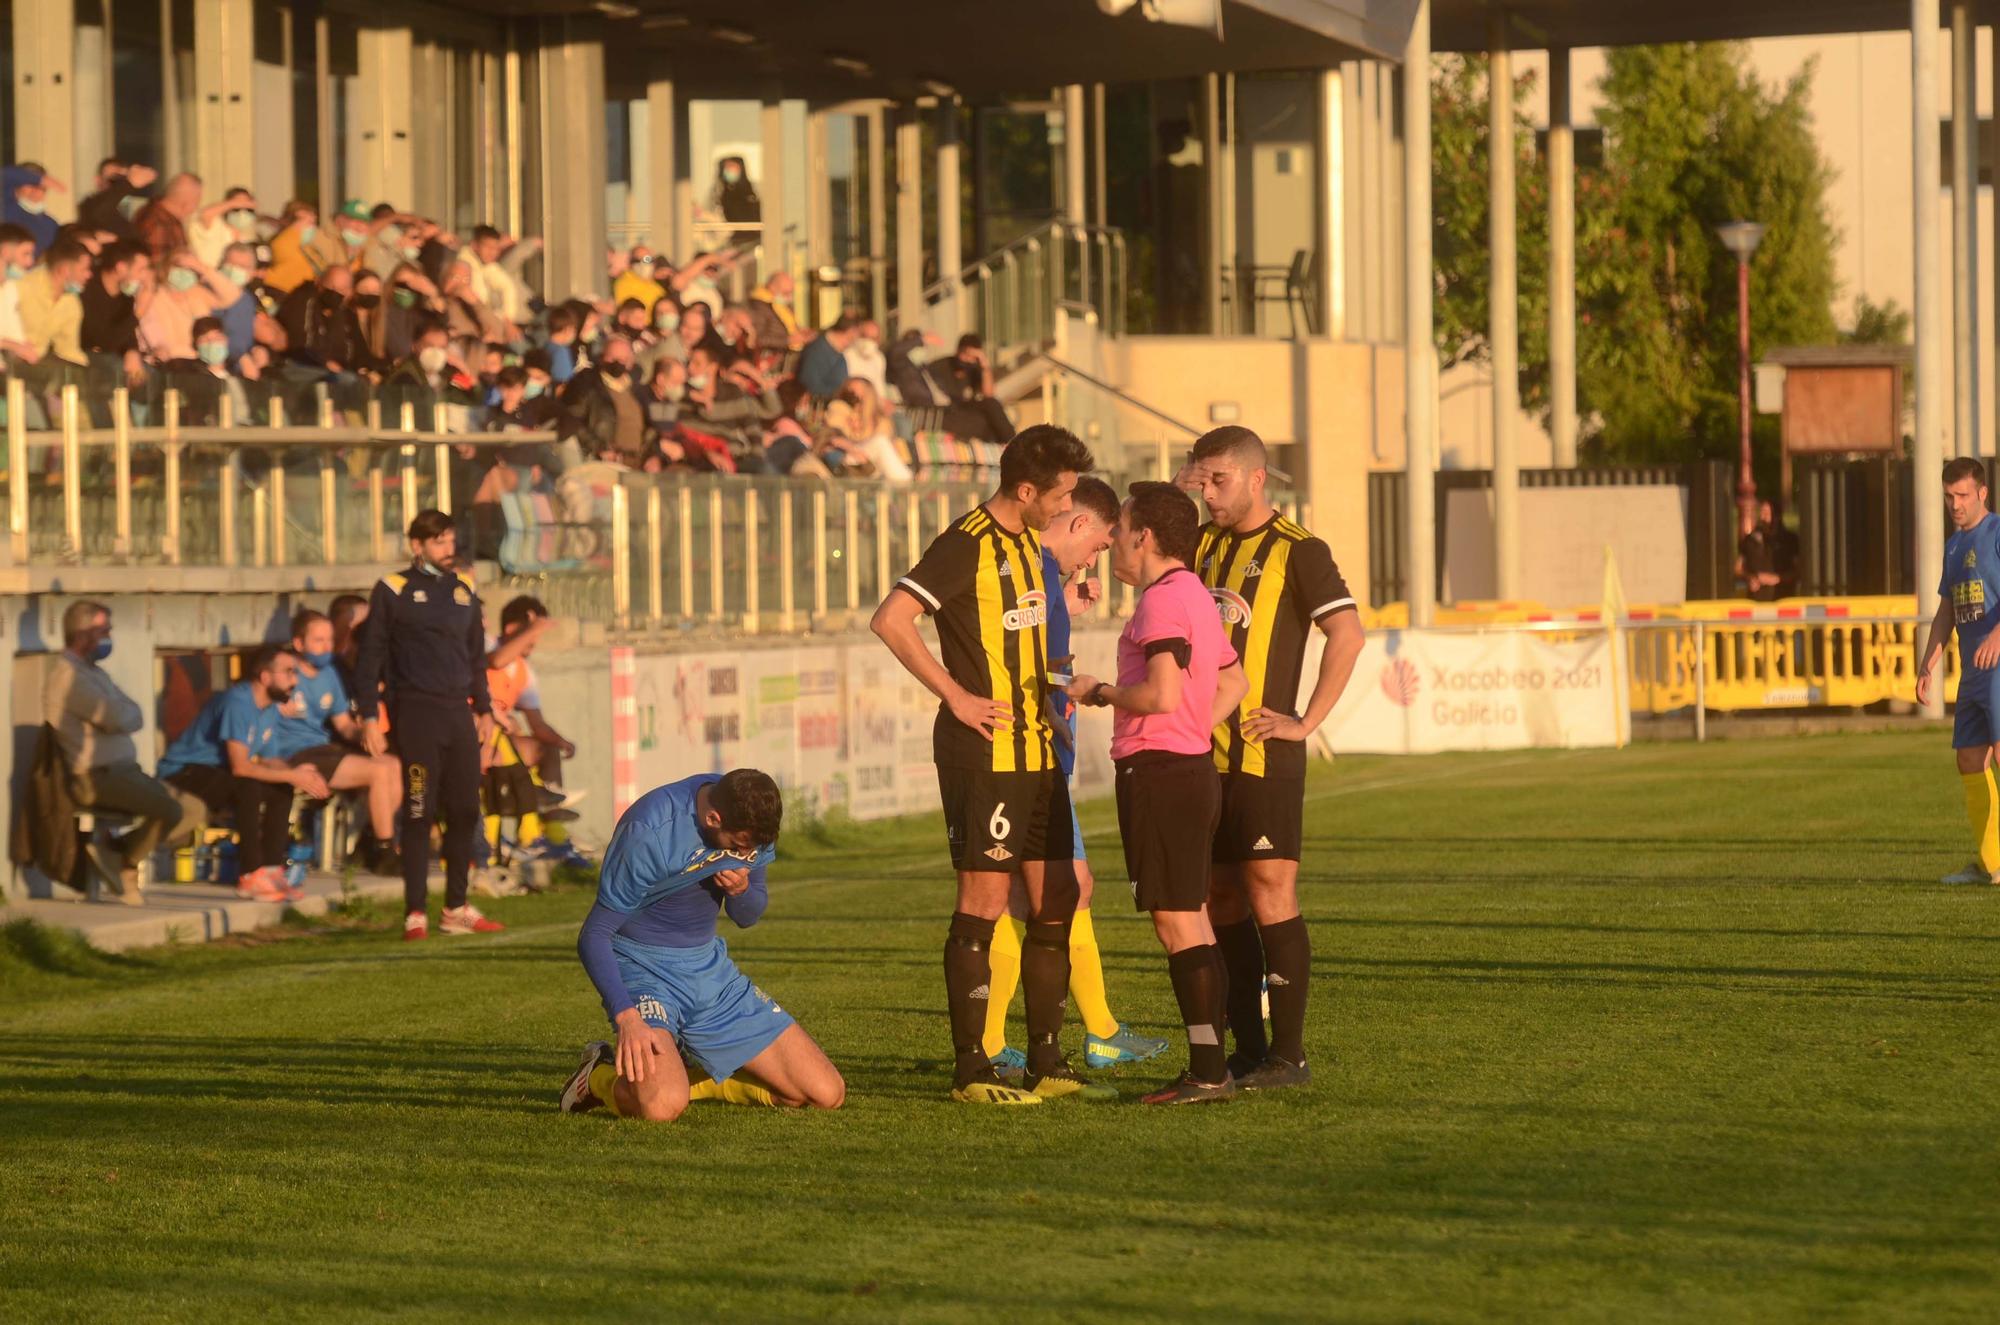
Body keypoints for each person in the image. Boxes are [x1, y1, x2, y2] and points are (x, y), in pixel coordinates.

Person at [870, 424, 1103, 1106]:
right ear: (1025, 489)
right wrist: (959, 696)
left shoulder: (1031, 546)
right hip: (987, 752)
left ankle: (1047, 1061)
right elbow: (891, 618)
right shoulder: (964, 542)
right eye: (1058, 495)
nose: (1064, 508)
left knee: (1056, 897)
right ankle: (972, 1068)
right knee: (984, 900)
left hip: (1038, 749)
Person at [1187, 425, 1364, 1090]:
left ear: (1257, 477)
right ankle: (1248, 1049)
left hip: (1265, 755)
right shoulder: (1198, 547)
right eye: (1200, 480)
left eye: (1219, 480)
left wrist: (1306, 721)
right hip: (1202, 755)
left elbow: (1347, 634)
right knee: (1219, 896)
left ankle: (1289, 1056)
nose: (1207, 493)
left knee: (1269, 892)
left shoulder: (1299, 550)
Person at [981, 475, 1170, 1074]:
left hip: (1037, 759)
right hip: (1030, 761)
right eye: (1096, 546)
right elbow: (1033, 670)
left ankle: (1088, 1031)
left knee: (1037, 896)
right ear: (1082, 524)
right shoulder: (1033, 570)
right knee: (1053, 892)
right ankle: (1081, 1035)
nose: (1096, 559)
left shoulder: (1044, 578)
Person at [1066, 482, 1248, 1104]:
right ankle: (1212, 1063)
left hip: (1162, 774)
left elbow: (1163, 694)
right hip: (1189, 770)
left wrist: (1101, 693)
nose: (1112, 538)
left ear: (1143, 536)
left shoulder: (1161, 602)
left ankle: (1205, 1070)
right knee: (1192, 919)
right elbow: (1237, 679)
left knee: (1177, 925)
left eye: (1118, 526)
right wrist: (1196, 727)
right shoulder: (1194, 594)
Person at [558, 768, 845, 1122]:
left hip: (708, 968)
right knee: (660, 1107)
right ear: (713, 818)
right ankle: (597, 1077)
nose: (748, 853)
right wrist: (627, 1015)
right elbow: (594, 934)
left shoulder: (753, 817)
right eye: (740, 846)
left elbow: (748, 915)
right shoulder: (649, 831)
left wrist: (740, 891)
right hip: (642, 967)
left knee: (824, 1093)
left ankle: (688, 1079)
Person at [353, 510, 505, 940]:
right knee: (419, 811)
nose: (448, 549)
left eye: (451, 540)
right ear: (417, 545)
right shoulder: (392, 589)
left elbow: (475, 658)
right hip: (415, 713)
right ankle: (415, 911)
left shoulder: (464, 590)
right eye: (439, 542)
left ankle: (456, 907)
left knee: (464, 810)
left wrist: (485, 709)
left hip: (459, 712)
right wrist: (368, 715)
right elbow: (370, 658)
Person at [42, 600, 207, 901]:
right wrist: (121, 717)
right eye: (104, 630)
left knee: (193, 809)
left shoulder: (94, 673)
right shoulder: (69, 677)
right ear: (82, 634)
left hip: (124, 772)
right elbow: (120, 716)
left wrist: (122, 717)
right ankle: (127, 865)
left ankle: (116, 852)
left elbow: (135, 714)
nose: (109, 636)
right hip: (95, 777)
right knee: (170, 809)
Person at [156, 644, 327, 903]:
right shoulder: (238, 702)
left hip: (216, 772)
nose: (295, 679)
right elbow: (241, 767)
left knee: (281, 789)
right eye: (288, 672)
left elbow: (271, 761)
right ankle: (249, 875)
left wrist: (298, 773)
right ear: (265, 676)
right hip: (183, 771)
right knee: (248, 786)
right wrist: (292, 775)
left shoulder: (269, 707)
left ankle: (271, 871)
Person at [273, 609, 404, 876]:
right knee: (377, 772)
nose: (326, 647)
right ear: (299, 643)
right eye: (318, 641)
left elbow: (343, 724)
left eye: (330, 641)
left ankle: (373, 837)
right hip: (293, 752)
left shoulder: (330, 673)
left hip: (323, 746)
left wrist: (366, 734)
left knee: (391, 763)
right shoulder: (284, 669)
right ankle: (385, 848)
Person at [1921, 458, 2000, 884]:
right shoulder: (1954, 546)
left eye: (1963, 495)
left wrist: (1997, 636)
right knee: (1969, 759)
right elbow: (1947, 609)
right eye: (1949, 496)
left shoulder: (1999, 532)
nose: (1955, 504)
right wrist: (1928, 661)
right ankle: (1993, 865)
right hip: (1972, 671)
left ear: (1982, 493)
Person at [930, 333, 1013, 442]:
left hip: (965, 412)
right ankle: (1013, 444)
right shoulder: (940, 366)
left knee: (991, 410)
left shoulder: (974, 369)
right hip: (947, 413)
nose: (968, 359)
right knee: (984, 425)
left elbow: (989, 395)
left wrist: (985, 367)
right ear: (958, 351)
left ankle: (1012, 444)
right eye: (965, 354)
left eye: (973, 357)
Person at [134, 172, 202, 266]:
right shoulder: (157, 222)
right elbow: (158, 267)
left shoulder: (168, 218)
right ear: (186, 203)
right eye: (197, 201)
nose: (195, 209)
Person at [797, 314, 860, 401]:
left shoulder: (838, 353)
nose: (852, 342)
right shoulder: (817, 350)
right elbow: (810, 385)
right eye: (851, 338)